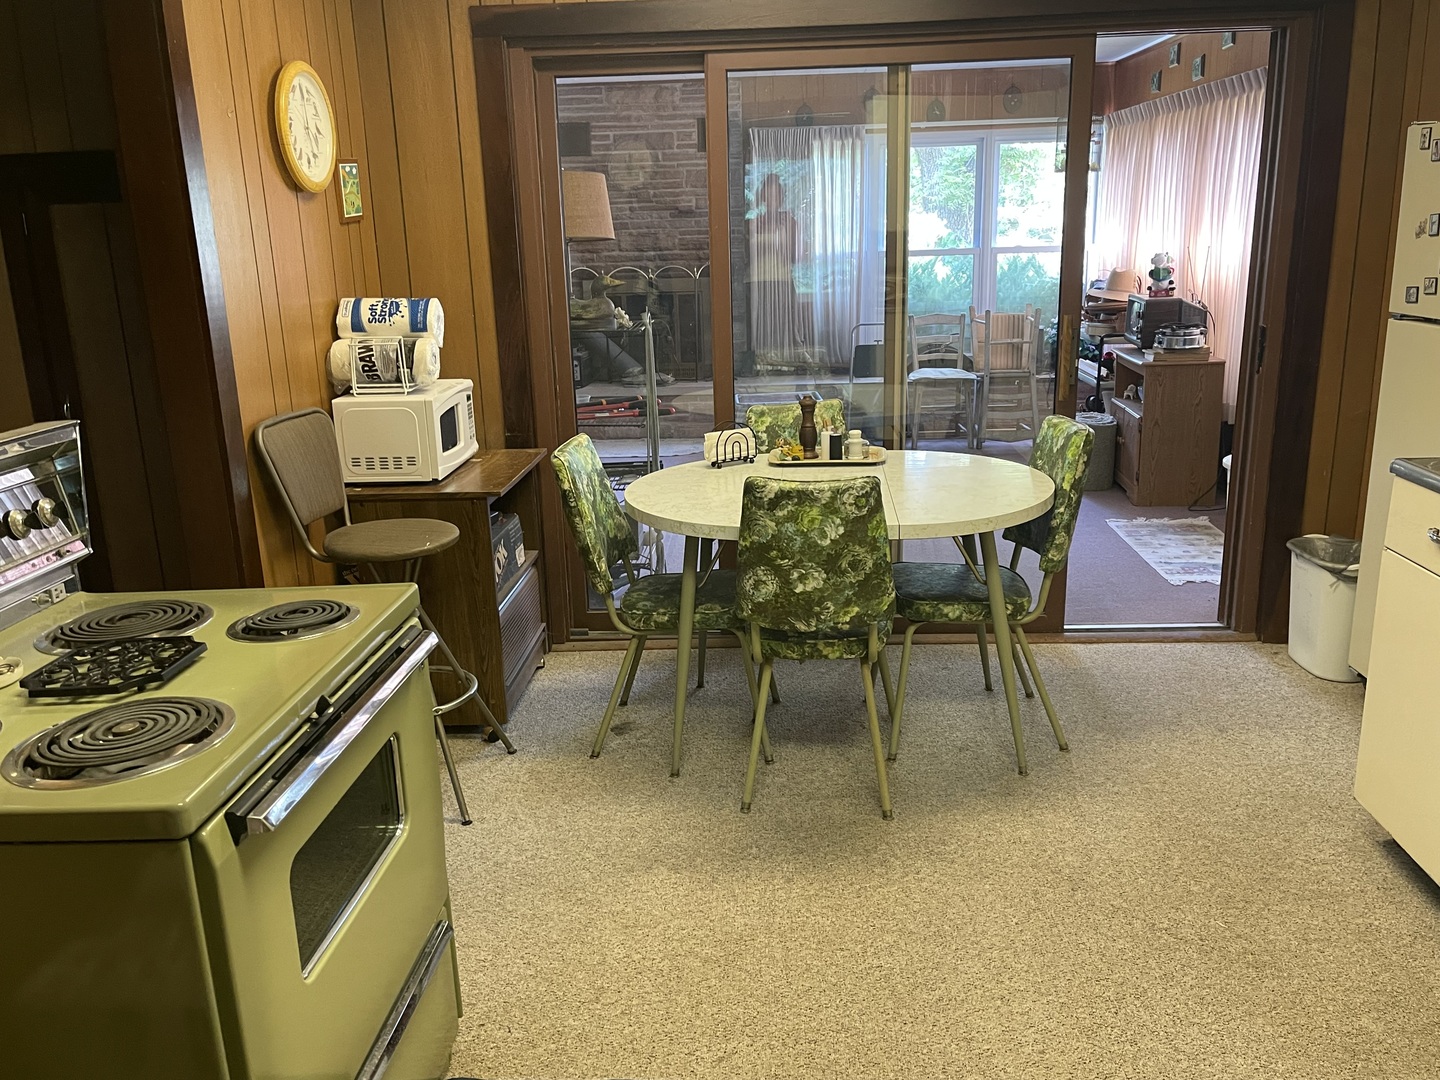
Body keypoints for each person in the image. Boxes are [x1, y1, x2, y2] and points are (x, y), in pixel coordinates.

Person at [747, 173, 808, 359]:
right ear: (763, 197)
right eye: (769, 194)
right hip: (758, 279)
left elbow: (794, 257)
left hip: (782, 278)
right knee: (763, 323)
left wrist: (782, 232)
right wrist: (764, 231)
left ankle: (790, 359)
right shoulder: (754, 222)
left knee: (786, 322)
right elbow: (748, 254)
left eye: (777, 195)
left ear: (782, 197)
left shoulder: (790, 221)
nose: (774, 199)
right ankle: (763, 360)